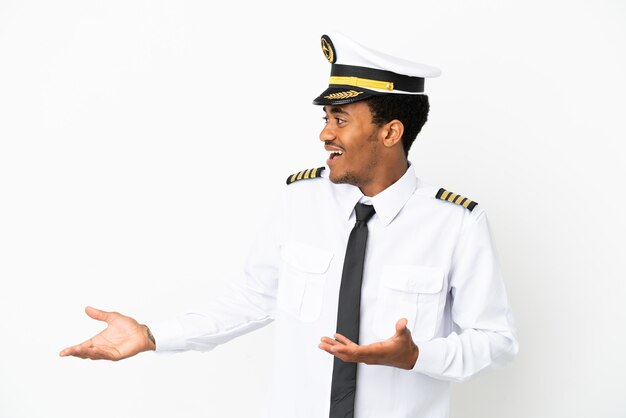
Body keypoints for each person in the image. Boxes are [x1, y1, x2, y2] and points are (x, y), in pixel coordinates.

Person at [60, 32, 519, 418]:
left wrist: (419, 356)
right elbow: (253, 299)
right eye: (326, 118)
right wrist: (153, 335)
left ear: (390, 132)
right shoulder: (300, 200)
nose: (325, 133)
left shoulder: (456, 223)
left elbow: (495, 342)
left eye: (340, 119)